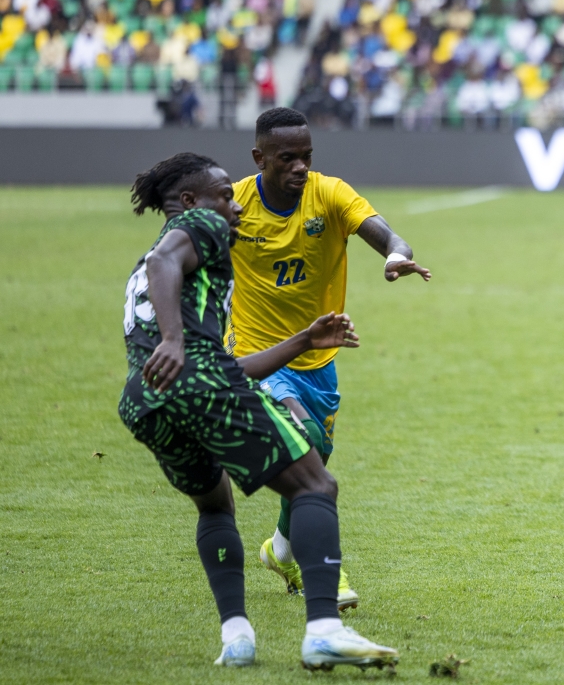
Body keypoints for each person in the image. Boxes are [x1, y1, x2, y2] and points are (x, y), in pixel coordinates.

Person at [118, 152, 399, 670]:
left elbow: (223, 364)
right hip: (195, 381)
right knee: (315, 483)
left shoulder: (147, 266)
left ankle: (238, 637)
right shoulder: (197, 228)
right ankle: (323, 630)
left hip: (147, 401)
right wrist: (177, 341)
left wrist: (302, 341)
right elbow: (187, 329)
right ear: (189, 202)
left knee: (216, 505)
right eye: (225, 196)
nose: (236, 207)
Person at [227, 107, 431, 609]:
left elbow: (388, 234)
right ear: (260, 158)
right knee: (307, 445)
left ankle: (280, 550)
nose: (301, 166)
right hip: (257, 357)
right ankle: (327, 574)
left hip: (320, 361)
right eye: (287, 158)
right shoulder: (232, 204)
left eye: (307, 156)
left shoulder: (331, 194)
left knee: (311, 467)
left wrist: (394, 257)